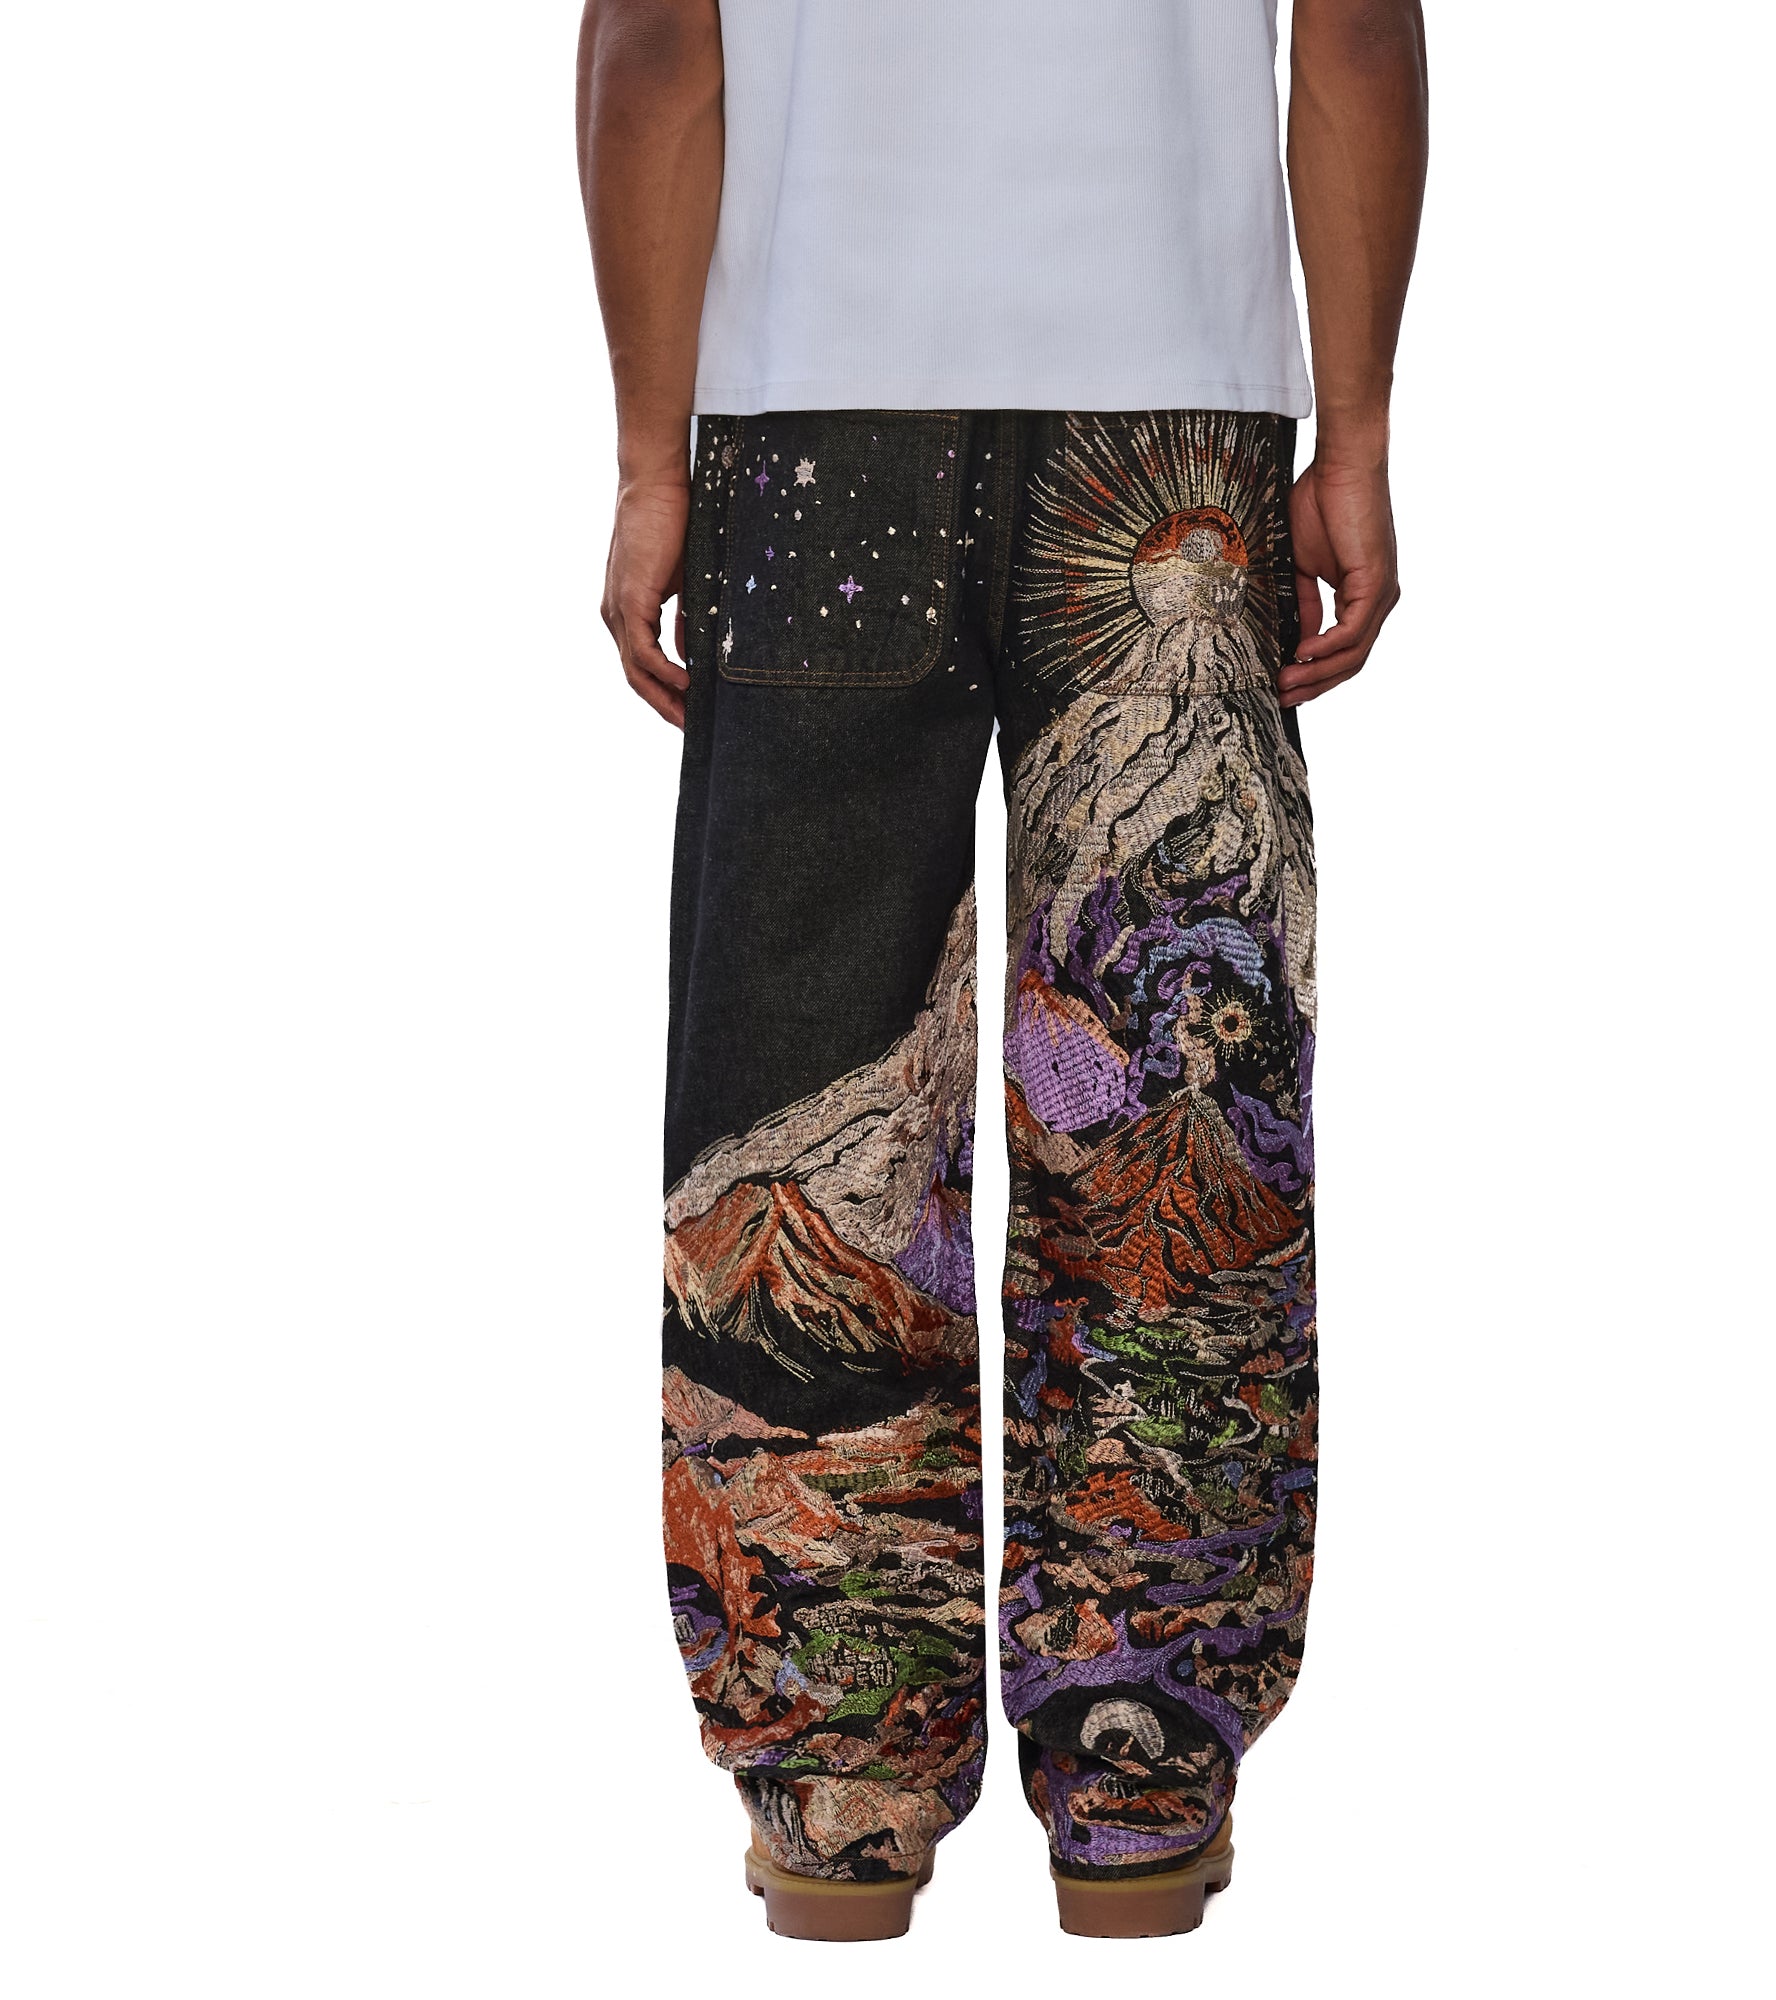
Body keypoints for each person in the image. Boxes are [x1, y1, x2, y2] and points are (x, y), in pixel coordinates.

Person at [578, 0, 1426, 1941]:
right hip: (1174, 422)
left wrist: (646, 457)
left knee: (808, 1111)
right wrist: (1361, 429)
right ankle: (1143, 1768)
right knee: (1173, 1115)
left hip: (811, 412)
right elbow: (1356, 34)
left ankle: (836, 1787)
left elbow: (654, 48)